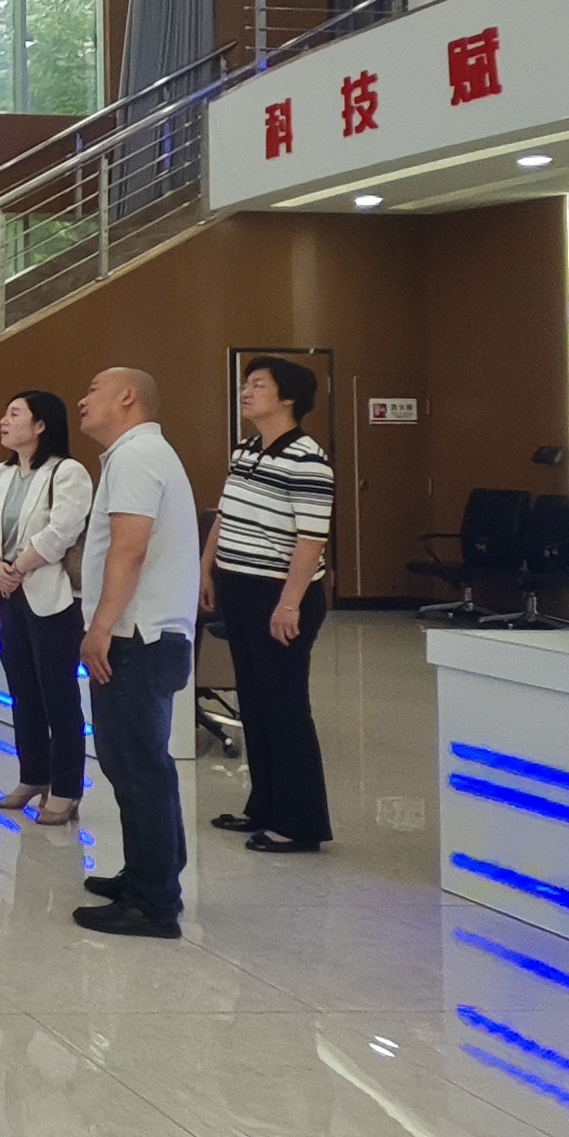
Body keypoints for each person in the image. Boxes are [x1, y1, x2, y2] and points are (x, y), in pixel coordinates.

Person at [71, 366, 202, 939]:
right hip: (146, 635)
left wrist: (100, 626)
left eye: (93, 389)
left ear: (127, 398)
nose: (82, 400)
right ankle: (149, 874)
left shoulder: (136, 456)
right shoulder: (139, 455)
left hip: (136, 637)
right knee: (134, 765)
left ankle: (153, 903)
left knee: (140, 767)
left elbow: (129, 549)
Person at [205, 356, 337, 853]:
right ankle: (263, 807)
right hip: (239, 589)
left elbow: (311, 540)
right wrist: (206, 568)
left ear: (288, 398)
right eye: (246, 384)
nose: (246, 392)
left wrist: (289, 605)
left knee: (284, 708)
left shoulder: (308, 460)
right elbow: (226, 514)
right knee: (255, 705)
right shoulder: (246, 449)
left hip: (280, 596)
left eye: (258, 385)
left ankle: (300, 824)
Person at [0, 390, 95, 825]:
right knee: (22, 691)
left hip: (51, 598)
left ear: (40, 425)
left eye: (14, 414)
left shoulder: (68, 472)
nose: (3, 421)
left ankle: (66, 788)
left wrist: (19, 567)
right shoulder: (2, 472)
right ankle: (33, 776)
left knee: (57, 694)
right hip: (10, 595)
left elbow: (62, 530)